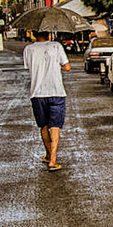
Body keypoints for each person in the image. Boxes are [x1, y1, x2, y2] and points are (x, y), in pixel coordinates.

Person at [23, 30, 72, 171]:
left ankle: (49, 155)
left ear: (33, 33)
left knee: (43, 126)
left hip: (37, 93)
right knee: (55, 126)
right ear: (48, 33)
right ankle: (53, 160)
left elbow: (29, 66)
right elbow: (67, 66)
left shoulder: (28, 49)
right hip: (56, 91)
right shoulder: (56, 46)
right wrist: (59, 66)